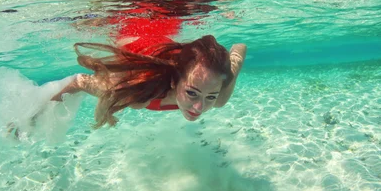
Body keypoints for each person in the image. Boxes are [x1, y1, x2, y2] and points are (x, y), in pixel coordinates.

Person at [50, 35, 247, 127]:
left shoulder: (220, 93)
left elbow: (240, 47)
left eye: (210, 96)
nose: (198, 107)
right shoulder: (138, 92)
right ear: (174, 81)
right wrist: (40, 110)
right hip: (134, 42)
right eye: (192, 92)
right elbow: (79, 82)